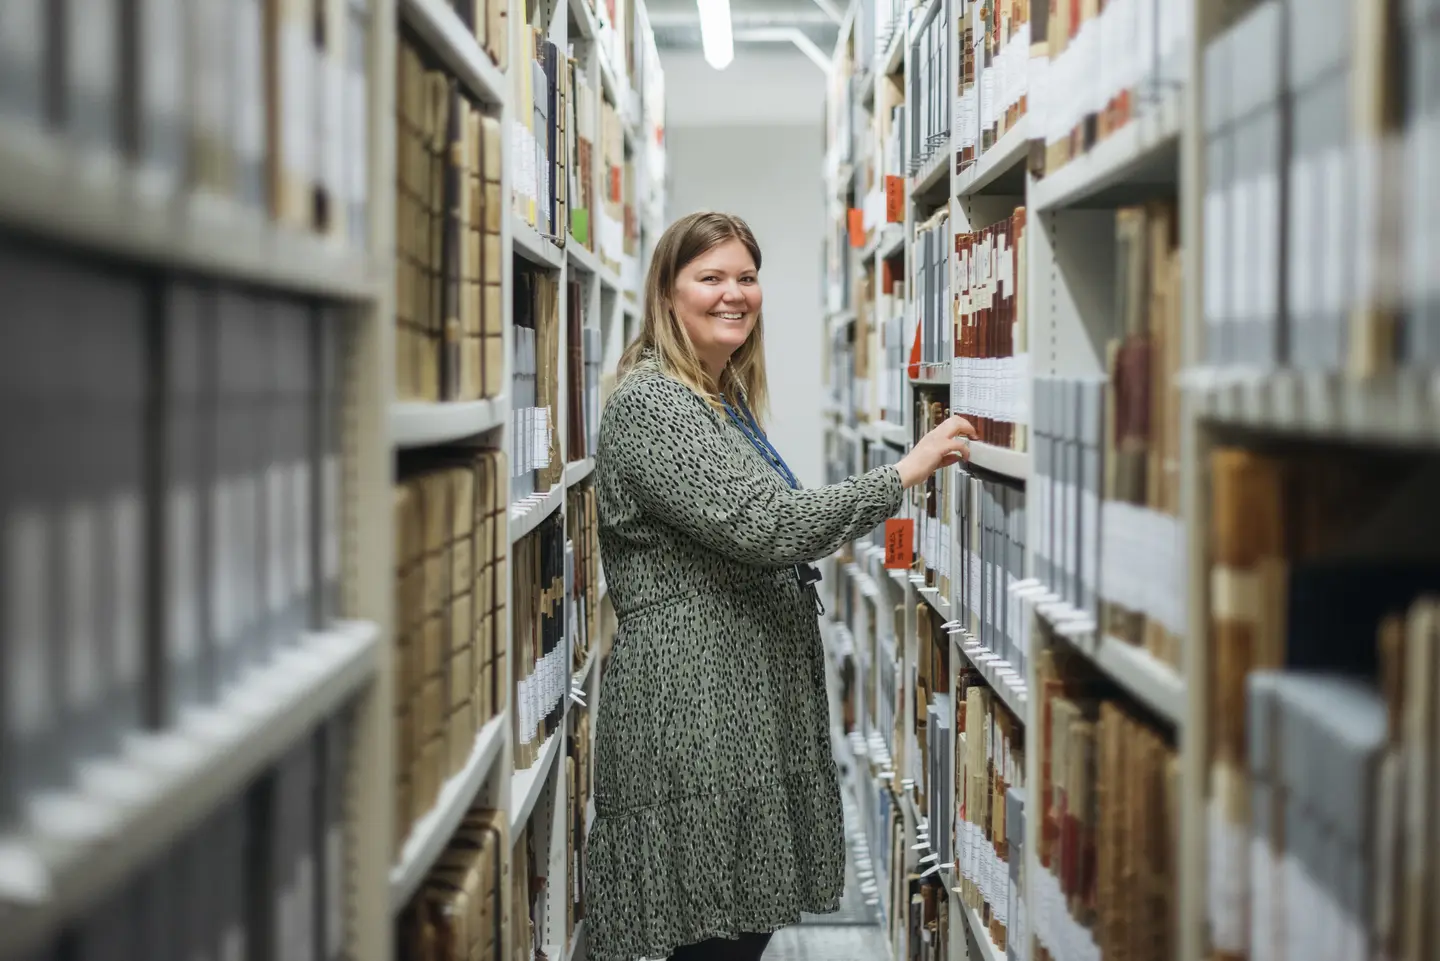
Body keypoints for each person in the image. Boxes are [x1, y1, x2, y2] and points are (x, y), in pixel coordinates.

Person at [586, 211, 975, 961]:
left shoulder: (713, 395)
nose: (734, 293)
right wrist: (903, 471)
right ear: (667, 294)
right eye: (711, 277)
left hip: (741, 699)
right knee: (710, 934)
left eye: (747, 276)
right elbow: (770, 526)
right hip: (694, 712)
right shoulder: (654, 403)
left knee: (736, 925)